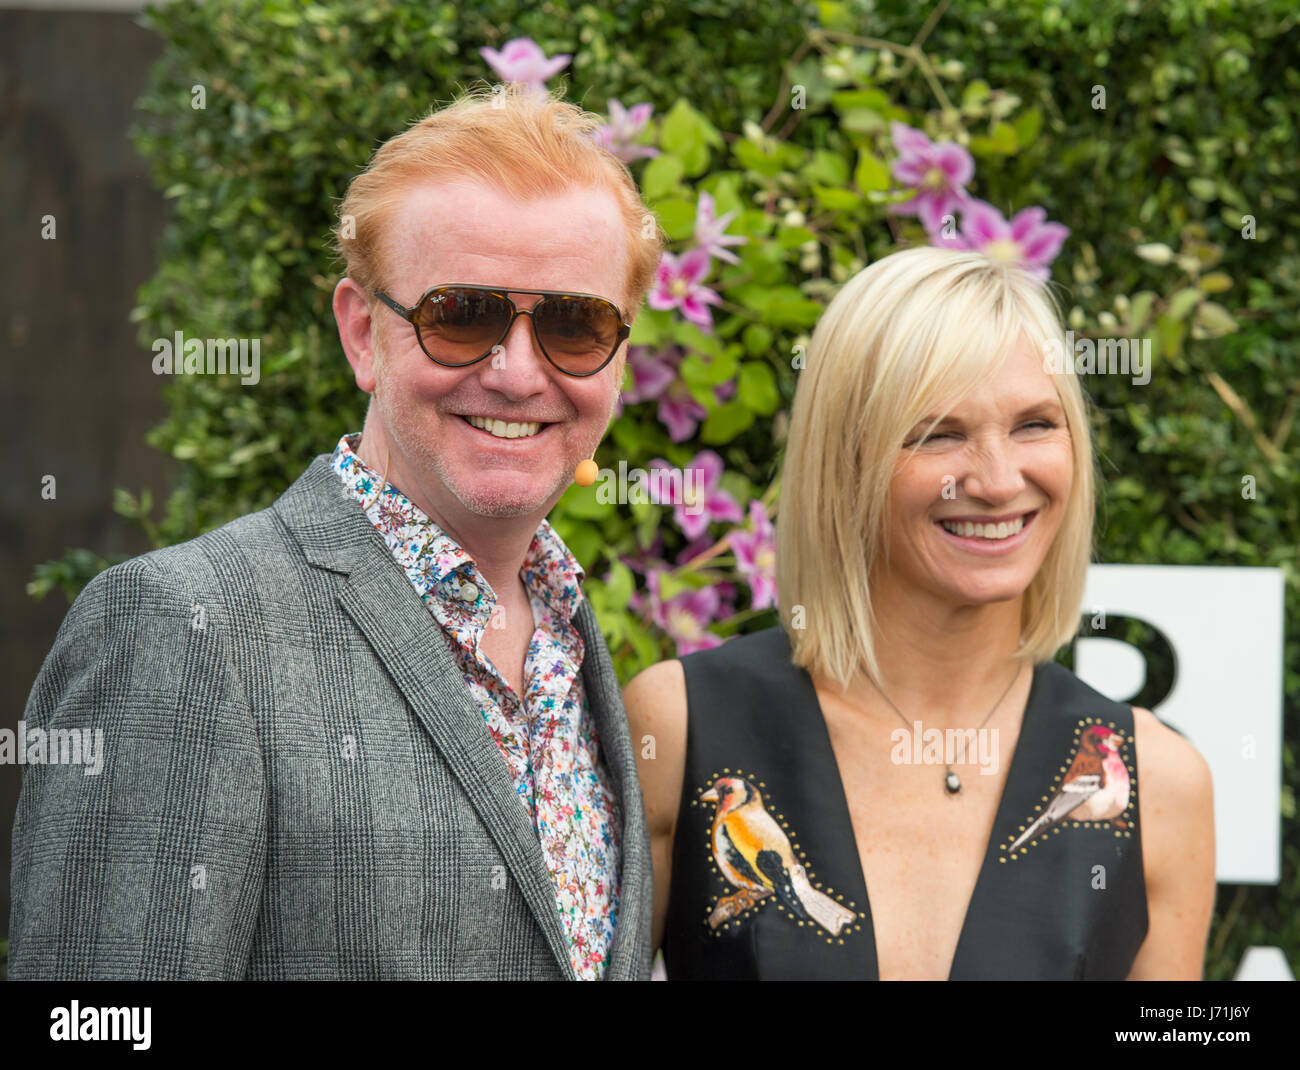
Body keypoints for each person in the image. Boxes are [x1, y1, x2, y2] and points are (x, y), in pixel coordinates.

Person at [10, 84, 659, 980]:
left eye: (574, 326)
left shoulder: (569, 639)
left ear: (620, 359)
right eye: (460, 316)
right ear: (363, 334)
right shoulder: (182, 628)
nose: (517, 373)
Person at [624, 246, 1216, 980]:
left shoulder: (1158, 781)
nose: (999, 481)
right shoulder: (682, 728)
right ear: (846, 463)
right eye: (939, 433)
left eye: (1035, 424)